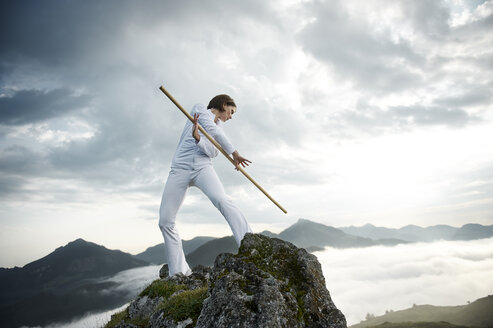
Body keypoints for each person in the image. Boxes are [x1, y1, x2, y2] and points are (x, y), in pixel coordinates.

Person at [158, 94, 253, 276]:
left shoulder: (219, 128)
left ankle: (248, 240)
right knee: (165, 221)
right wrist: (235, 153)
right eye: (231, 111)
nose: (231, 117)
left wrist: (199, 139)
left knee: (221, 199)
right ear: (224, 105)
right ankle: (178, 272)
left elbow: (212, 152)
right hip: (180, 168)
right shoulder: (199, 109)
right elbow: (214, 131)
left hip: (203, 168)